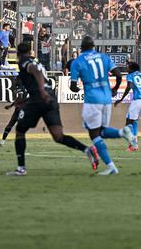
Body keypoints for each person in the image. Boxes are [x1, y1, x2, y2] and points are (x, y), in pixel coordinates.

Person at [6, 37, 99, 176]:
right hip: (50, 99)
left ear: (19, 54)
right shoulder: (35, 62)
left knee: (20, 130)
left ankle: (21, 169)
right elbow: (35, 81)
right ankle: (88, 150)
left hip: (40, 99)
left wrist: (42, 92)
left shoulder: (25, 62)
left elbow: (36, 74)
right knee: (58, 136)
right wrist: (22, 101)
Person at [69, 35, 133, 175]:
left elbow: (73, 86)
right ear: (94, 47)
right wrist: (115, 89)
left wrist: (80, 88)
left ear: (81, 48)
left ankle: (111, 166)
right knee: (102, 131)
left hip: (92, 99)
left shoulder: (78, 61)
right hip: (106, 98)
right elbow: (118, 75)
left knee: (94, 135)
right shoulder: (104, 57)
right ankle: (123, 132)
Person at [114, 61, 141, 151]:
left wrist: (121, 99)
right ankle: (135, 142)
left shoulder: (130, 75)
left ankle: (133, 145)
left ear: (132, 68)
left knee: (128, 122)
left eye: (128, 66)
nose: (126, 68)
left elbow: (129, 87)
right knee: (134, 120)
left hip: (138, 101)